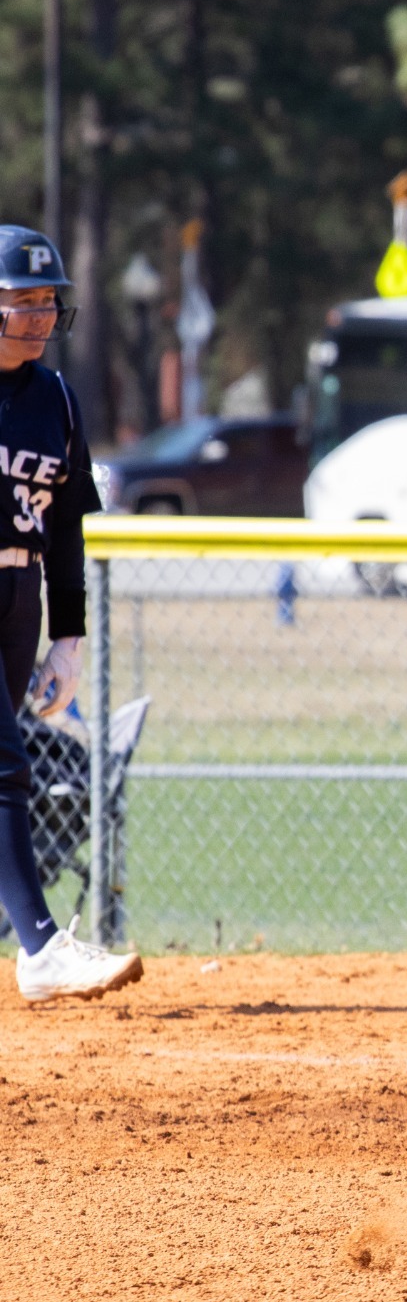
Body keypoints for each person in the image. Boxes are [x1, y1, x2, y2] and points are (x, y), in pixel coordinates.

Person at [0, 225, 141, 1002]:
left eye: (49, 301)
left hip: (20, 596)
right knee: (5, 767)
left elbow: (64, 525)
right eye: (21, 300)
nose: (39, 315)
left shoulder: (54, 397)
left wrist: (70, 636)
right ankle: (42, 948)